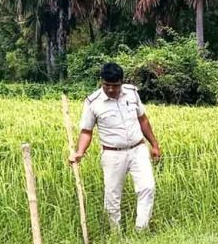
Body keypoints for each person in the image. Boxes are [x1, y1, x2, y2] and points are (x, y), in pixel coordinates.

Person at [69, 62, 161, 231]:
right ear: (101, 81)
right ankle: (115, 233)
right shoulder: (93, 102)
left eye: (115, 85)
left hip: (138, 149)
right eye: (106, 85)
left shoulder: (132, 93)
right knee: (112, 195)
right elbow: (86, 131)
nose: (111, 89)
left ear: (122, 82)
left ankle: (141, 230)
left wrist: (154, 144)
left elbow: (143, 119)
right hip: (113, 154)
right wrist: (79, 152)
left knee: (147, 187)